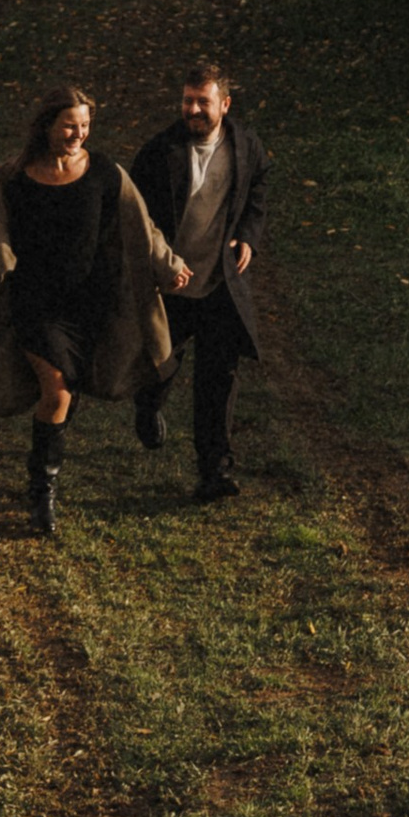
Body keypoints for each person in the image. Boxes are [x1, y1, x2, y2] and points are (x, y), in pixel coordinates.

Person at [0, 82, 190, 537]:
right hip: (35, 305)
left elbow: (142, 226)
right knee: (55, 391)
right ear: (47, 126)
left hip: (91, 305)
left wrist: (168, 265)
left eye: (85, 125)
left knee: (71, 389)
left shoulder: (105, 173)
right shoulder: (14, 177)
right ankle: (42, 492)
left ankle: (53, 462)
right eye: (69, 125)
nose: (79, 134)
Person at [130, 61, 267, 503]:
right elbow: (135, 218)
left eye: (202, 102)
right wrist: (161, 264)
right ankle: (148, 405)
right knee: (159, 364)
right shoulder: (158, 153)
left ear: (225, 105)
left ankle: (215, 472)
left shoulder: (246, 146)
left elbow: (258, 190)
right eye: (187, 101)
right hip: (170, 284)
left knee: (218, 378)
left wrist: (248, 236)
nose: (192, 110)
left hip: (218, 286)